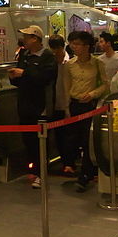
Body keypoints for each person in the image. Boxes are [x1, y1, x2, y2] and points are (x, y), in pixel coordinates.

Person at [8, 26, 57, 189]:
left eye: (27, 37)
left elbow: (45, 78)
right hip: (24, 104)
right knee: (28, 139)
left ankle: (41, 173)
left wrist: (24, 73)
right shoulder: (25, 55)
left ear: (35, 39)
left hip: (41, 105)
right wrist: (14, 76)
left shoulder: (47, 57)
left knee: (40, 140)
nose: (24, 40)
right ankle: (33, 169)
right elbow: (21, 79)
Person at [62, 31, 107, 192]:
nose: (74, 47)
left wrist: (93, 94)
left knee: (87, 140)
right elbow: (67, 86)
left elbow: (105, 85)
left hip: (90, 106)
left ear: (87, 46)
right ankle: (76, 167)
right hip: (75, 105)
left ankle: (85, 175)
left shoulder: (97, 63)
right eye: (72, 43)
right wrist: (66, 107)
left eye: (77, 44)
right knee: (74, 139)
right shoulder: (69, 64)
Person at [48, 35, 72, 175]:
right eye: (53, 49)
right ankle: (65, 162)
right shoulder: (49, 62)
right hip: (53, 104)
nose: (55, 52)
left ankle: (69, 162)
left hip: (68, 103)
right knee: (58, 136)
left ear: (63, 47)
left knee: (68, 136)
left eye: (57, 48)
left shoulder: (70, 62)